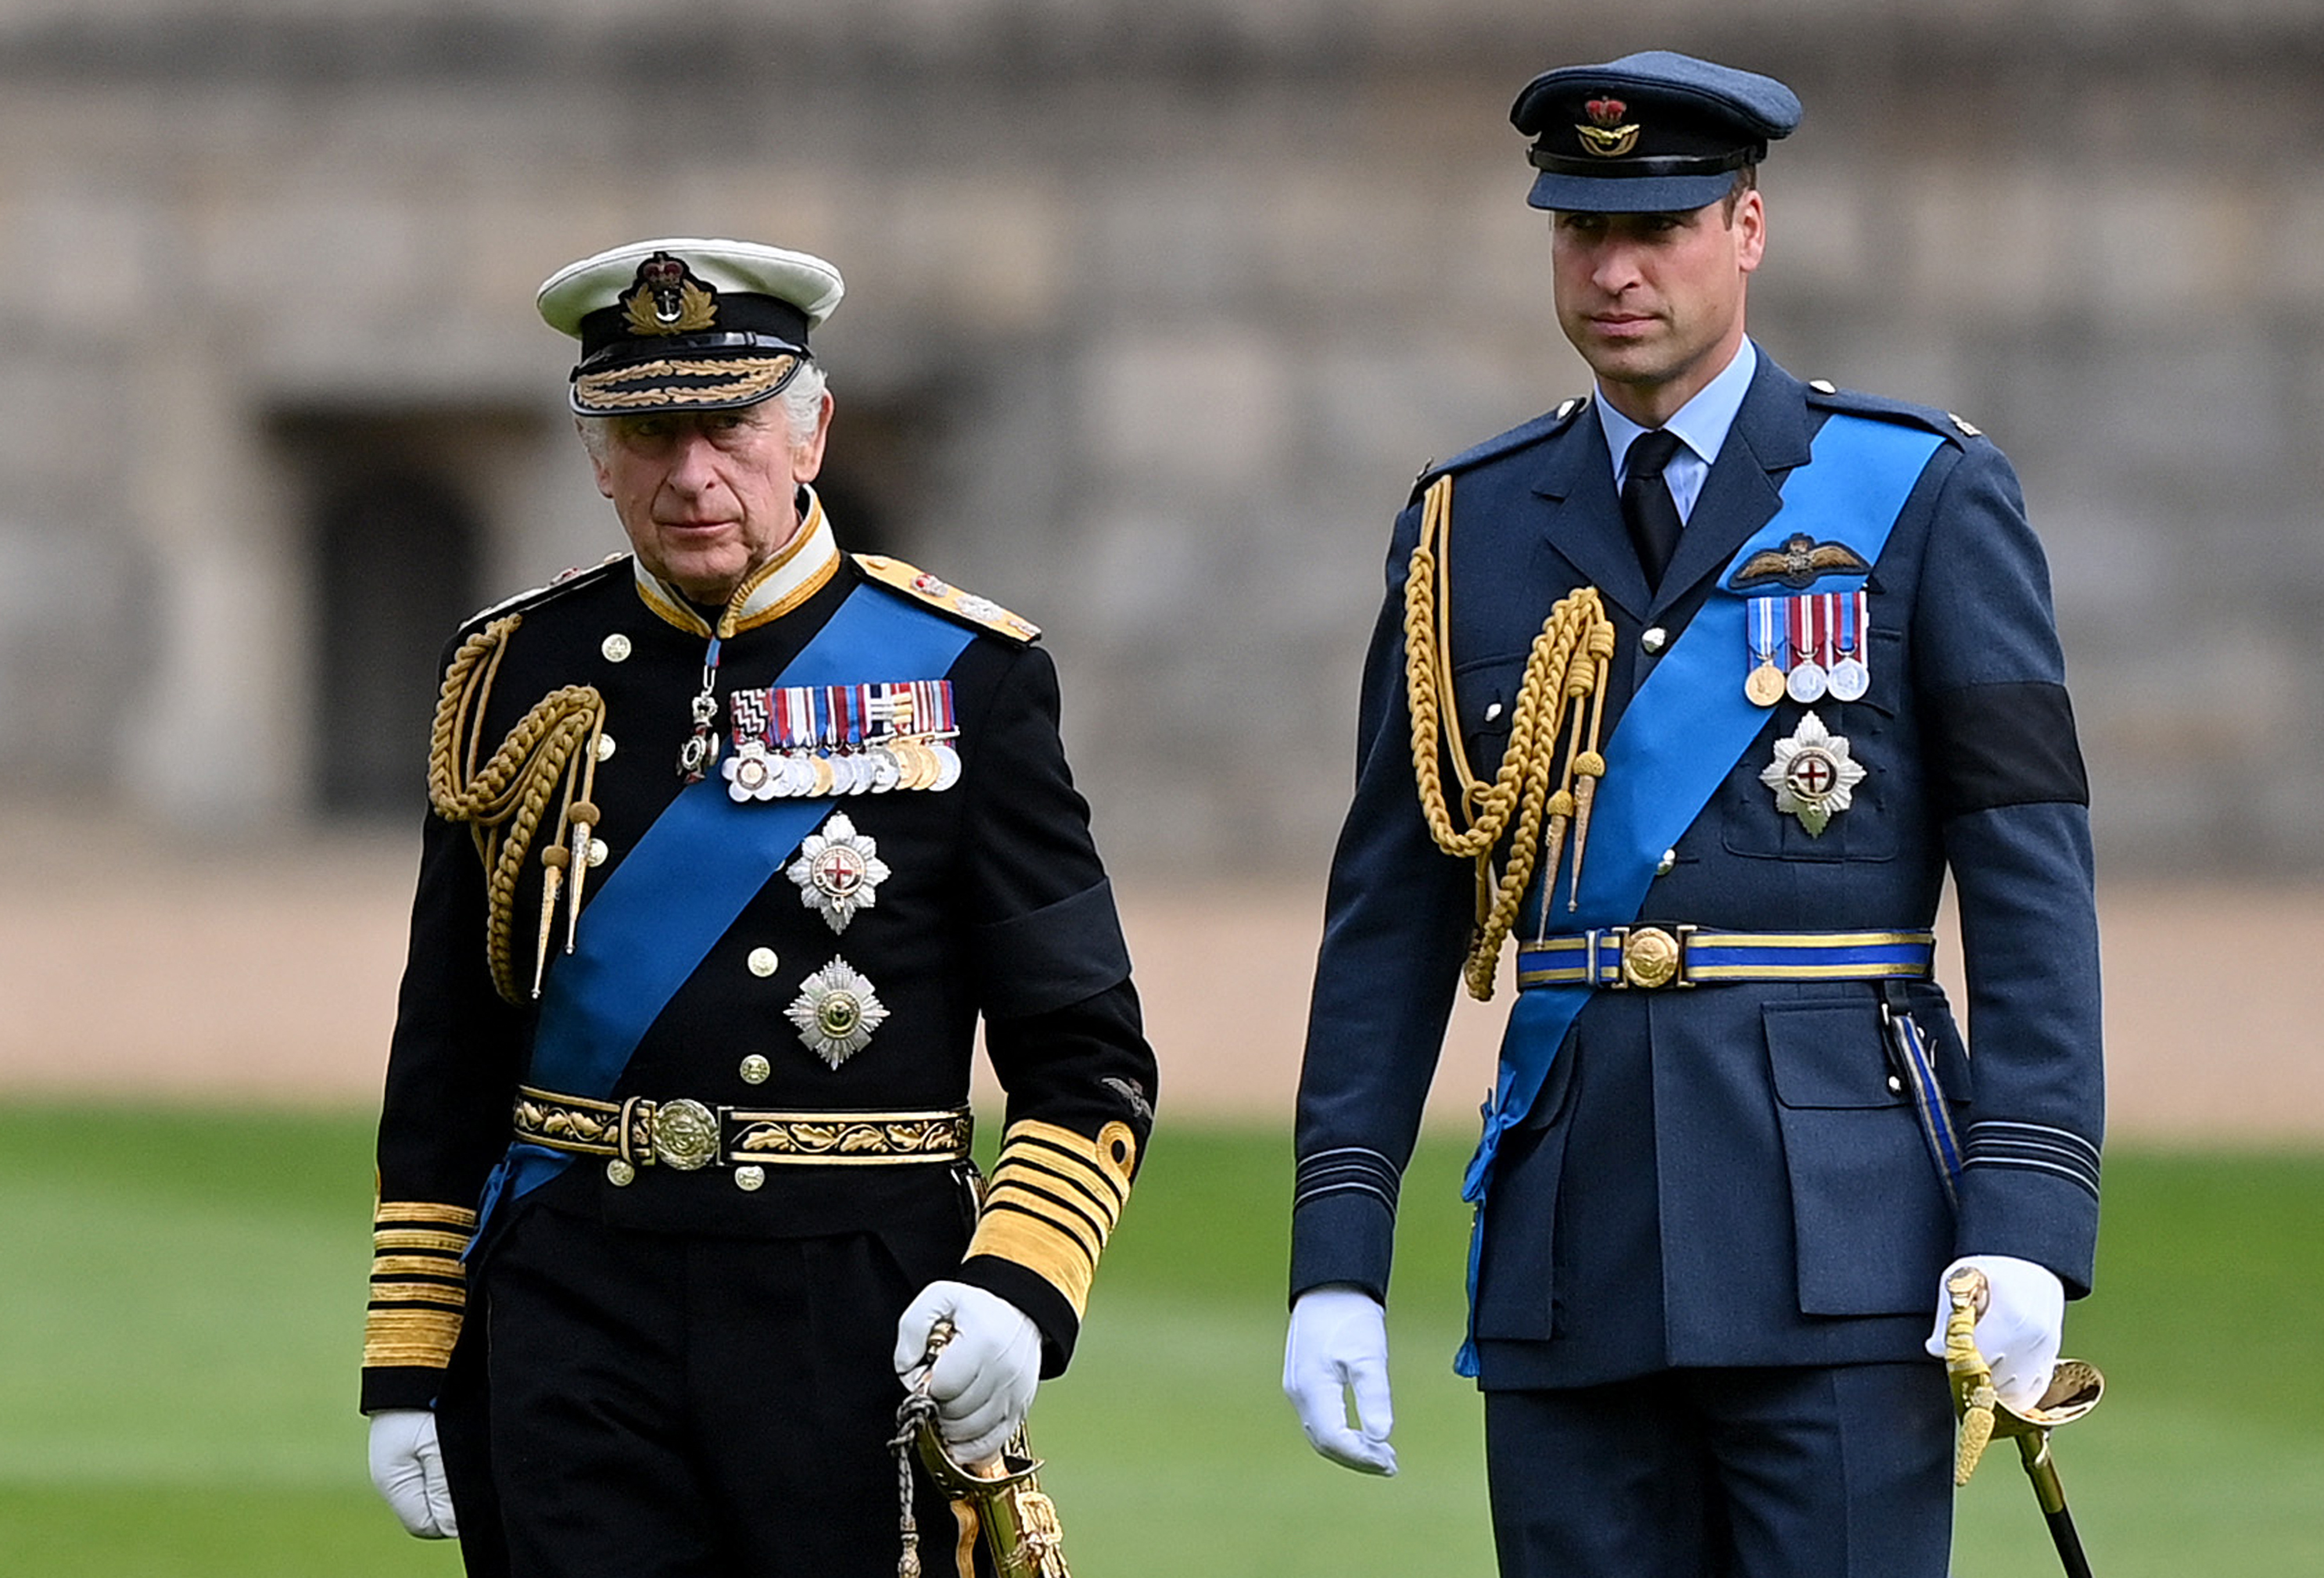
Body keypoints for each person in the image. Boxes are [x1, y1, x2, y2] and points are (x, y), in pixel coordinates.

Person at [1282, 52, 2101, 1578]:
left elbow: (2033, 879)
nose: (1616, 269)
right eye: (1582, 230)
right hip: (1568, 1244)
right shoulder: (1466, 524)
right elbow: (1391, 915)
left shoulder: (1921, 494)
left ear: (1748, 227)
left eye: (1658, 227)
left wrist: (2032, 1215)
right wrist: (1337, 1253)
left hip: (1846, 1246)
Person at [360, 236, 1156, 1578]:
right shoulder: (510, 673)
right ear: (594, 453)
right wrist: (408, 1350)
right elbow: (449, 1042)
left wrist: (1018, 1284)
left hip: (850, 1304)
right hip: (573, 1296)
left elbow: (1086, 1055)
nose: (690, 475)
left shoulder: (967, 674)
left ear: (811, 431)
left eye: (726, 426)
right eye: (646, 431)